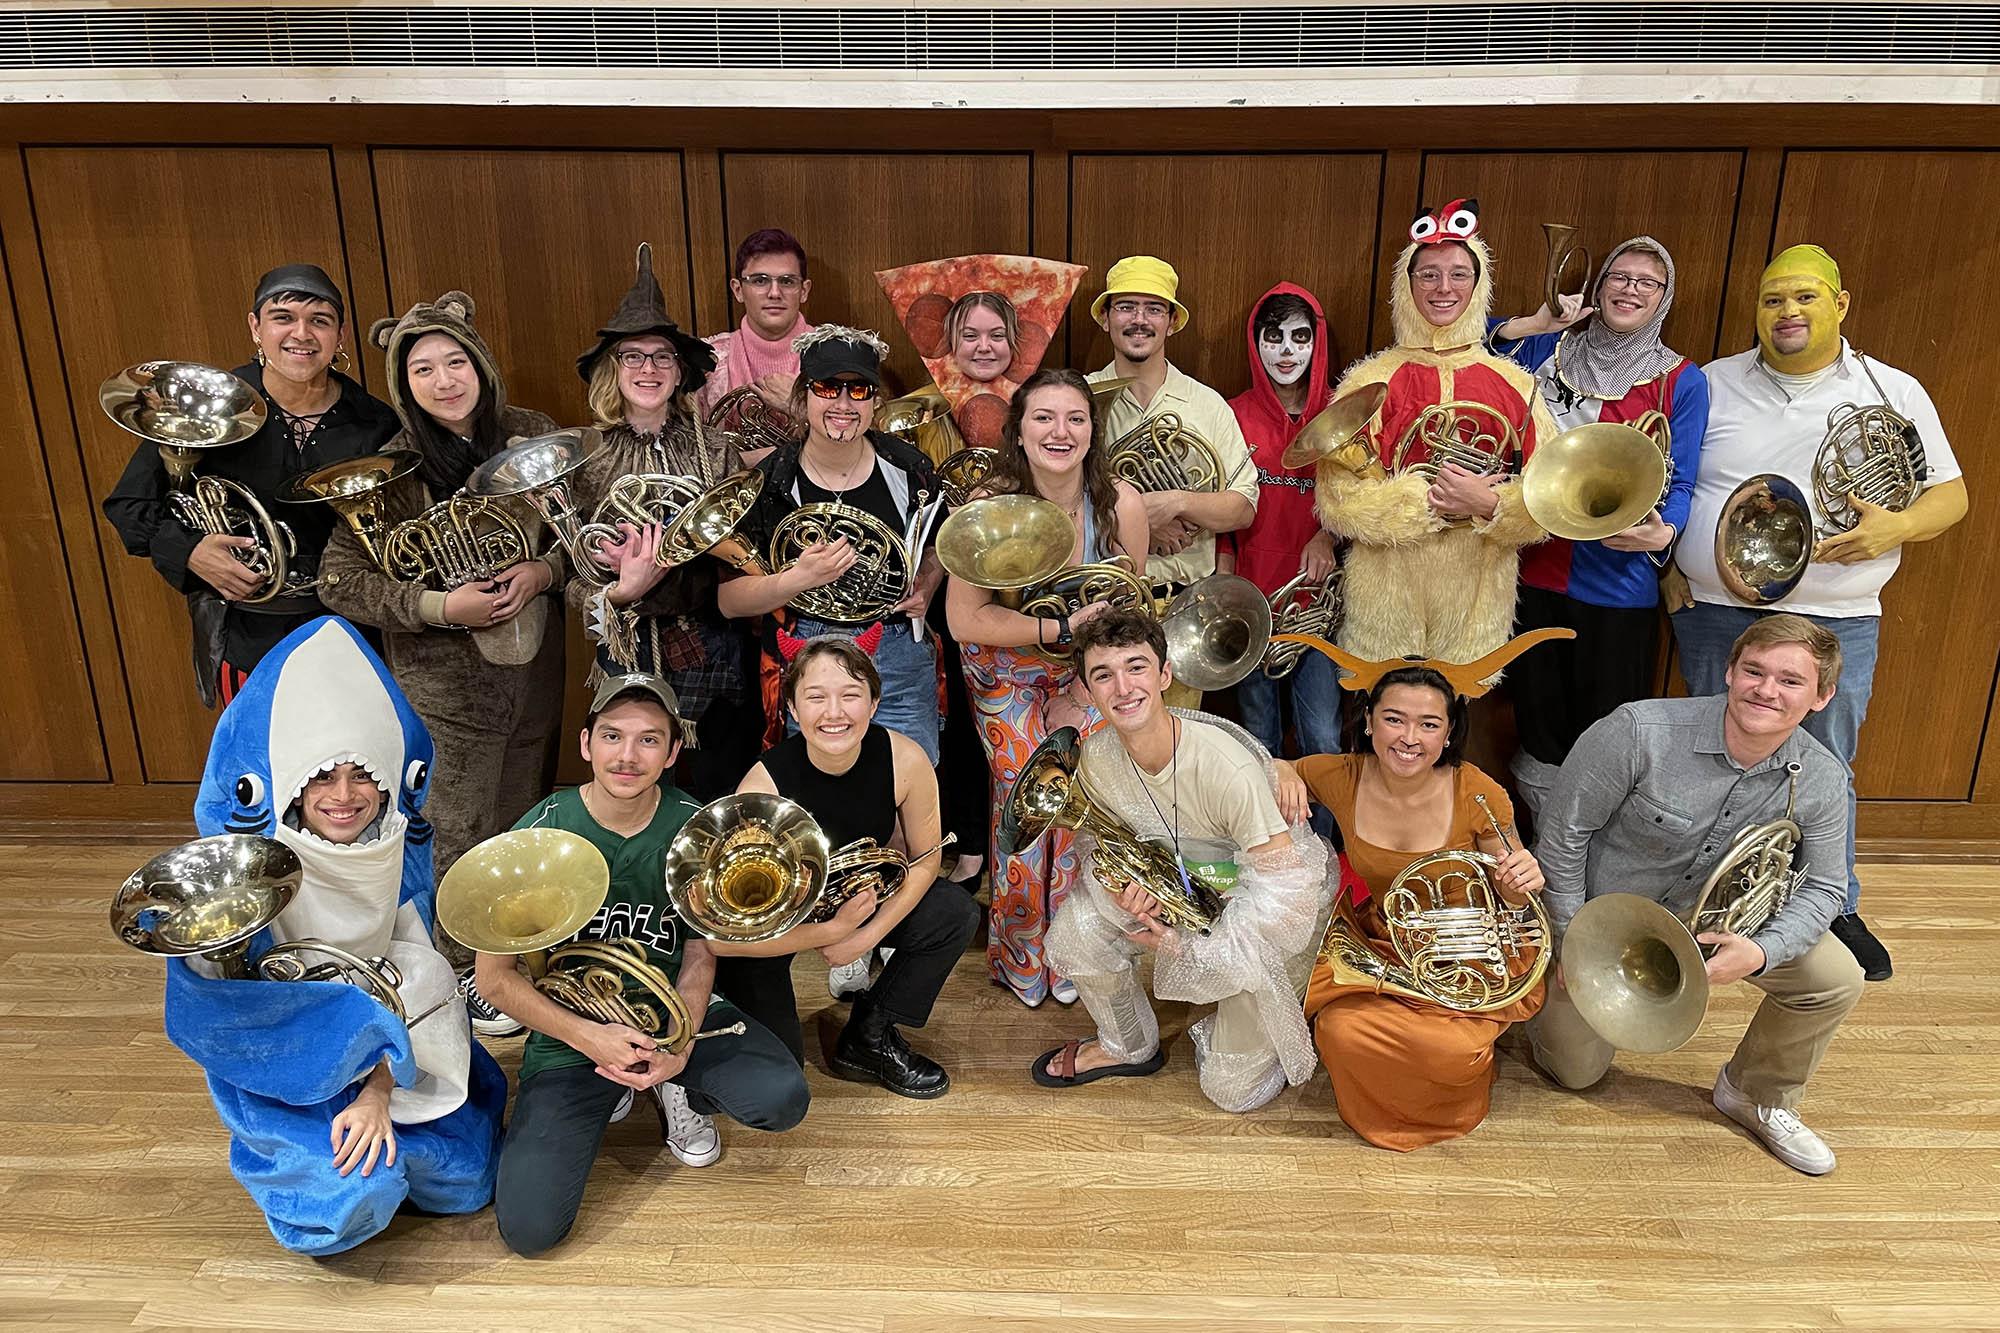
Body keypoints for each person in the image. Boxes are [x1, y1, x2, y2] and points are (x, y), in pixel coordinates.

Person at [1671, 243, 1967, 980]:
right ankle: (1710, 902)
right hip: (1716, 607)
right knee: (1710, 761)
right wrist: (1665, 569)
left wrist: (1894, 526)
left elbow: (1951, 496)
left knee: (1826, 767)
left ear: (1839, 304)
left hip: (1837, 615)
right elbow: (1666, 482)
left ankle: (1832, 905)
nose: (1787, 312)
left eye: (1804, 297)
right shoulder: (1712, 382)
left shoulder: (1892, 389)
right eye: (1773, 299)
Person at [164, 615, 504, 1254]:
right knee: (350, 1198)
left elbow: (424, 976)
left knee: (462, 1181)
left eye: (362, 773)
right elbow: (215, 1018)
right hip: (288, 1063)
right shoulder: (237, 871)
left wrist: (379, 1087)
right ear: (289, 780)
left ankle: (385, 1130)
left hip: (388, 1050)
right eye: (320, 776)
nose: (345, 796)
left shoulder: (393, 843)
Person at [481, 674, 809, 1257]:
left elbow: (699, 951)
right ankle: (614, 1087)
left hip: (675, 1015)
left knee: (781, 1098)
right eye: (612, 736)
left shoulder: (700, 828)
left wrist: (678, 1046)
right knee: (529, 1231)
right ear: (585, 744)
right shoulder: (538, 829)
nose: (627, 756)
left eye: (649, 740)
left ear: (673, 751)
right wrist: (591, 1038)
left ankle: (678, 1086)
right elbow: (495, 979)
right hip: (576, 1030)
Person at [1528, 615, 1861, 1174]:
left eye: (1790, 681)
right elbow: (1562, 839)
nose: (1766, 690)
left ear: (1822, 696)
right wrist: (1570, 938)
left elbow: (1826, 886)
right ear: (1729, 671)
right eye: (1754, 671)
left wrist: (1762, 951)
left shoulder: (1823, 778)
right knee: (1576, 1074)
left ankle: (1755, 1095)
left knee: (1835, 980)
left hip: (1718, 924)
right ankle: (1532, 994)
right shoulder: (1637, 732)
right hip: (1600, 922)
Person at [1033, 608, 1331, 1113]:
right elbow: (1100, 847)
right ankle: (1126, 1046)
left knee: (1233, 1092)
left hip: (1260, 911)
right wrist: (1120, 887)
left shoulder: (1225, 767)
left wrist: (1185, 950)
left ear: (1165, 675)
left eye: (1137, 667)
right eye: (1103, 675)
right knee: (1076, 932)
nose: (1123, 687)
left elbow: (1286, 900)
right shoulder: (1097, 758)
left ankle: (1295, 993)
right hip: (1182, 890)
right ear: (1086, 689)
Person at [316, 290, 566, 889]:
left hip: (533, 676)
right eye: (421, 369)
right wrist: (440, 605)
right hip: (444, 690)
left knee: (523, 823)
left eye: (455, 362)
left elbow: (582, 533)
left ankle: (510, 959)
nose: (444, 381)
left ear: (480, 365)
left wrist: (542, 573)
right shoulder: (390, 467)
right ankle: (454, 967)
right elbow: (339, 580)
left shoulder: (532, 434)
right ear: (403, 386)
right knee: (454, 834)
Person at [1288, 636, 1552, 1151]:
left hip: (1468, 954)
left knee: (1450, 1050)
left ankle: (1447, 1102)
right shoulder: (1344, 775)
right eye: (1394, 719)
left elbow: (1515, 897)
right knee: (1341, 1032)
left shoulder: (1478, 791)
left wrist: (1519, 884)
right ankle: (1377, 1108)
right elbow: (1275, 767)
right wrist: (1280, 773)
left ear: (1450, 731)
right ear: (1368, 720)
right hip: (1386, 942)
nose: (1409, 738)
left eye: (1429, 724)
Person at [102, 263, 399, 704]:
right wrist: (191, 552)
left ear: (341, 336)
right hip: (245, 636)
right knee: (262, 765)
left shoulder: (376, 422)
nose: (301, 334)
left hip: (354, 632)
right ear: (256, 327)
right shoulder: (209, 405)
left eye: (320, 320)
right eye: (283, 317)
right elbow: (129, 506)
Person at [947, 368, 1150, 1007]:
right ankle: (1022, 956)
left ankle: (1073, 954)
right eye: (1044, 418)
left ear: (1094, 429)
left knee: (1084, 808)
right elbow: (964, 619)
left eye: (1075, 418)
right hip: (1005, 673)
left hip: (1087, 675)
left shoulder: (1121, 503)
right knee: (1026, 804)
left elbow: (1130, 614)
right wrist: (1058, 625)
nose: (1060, 432)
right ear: (1019, 430)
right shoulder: (986, 506)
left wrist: (1087, 691)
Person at [1487, 236, 1710, 817]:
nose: (1630, 290)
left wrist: (1665, 535)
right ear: (1599, 285)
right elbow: (1474, 343)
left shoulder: (1680, 380)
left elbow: (1681, 482)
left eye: (1647, 282)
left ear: (1664, 298)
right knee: (1537, 719)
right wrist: (1535, 320)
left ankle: (1590, 843)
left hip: (1618, 584)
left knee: (1608, 730)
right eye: (1620, 276)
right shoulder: (1546, 352)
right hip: (1535, 571)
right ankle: (1541, 841)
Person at [710, 638, 979, 1097]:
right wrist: (832, 933)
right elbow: (724, 937)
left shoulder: (905, 759)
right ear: (791, 708)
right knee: (777, 1081)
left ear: (874, 702)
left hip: (854, 905)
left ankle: (870, 1036)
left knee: (953, 913)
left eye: (851, 695)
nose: (834, 712)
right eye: (816, 697)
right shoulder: (761, 785)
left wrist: (864, 937)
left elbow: (926, 860)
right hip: (777, 928)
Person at [1316, 201, 1556, 664]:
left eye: (1459, 274)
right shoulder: (1369, 380)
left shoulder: (1517, 384)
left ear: (1478, 283)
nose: (1443, 288)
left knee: (1453, 729)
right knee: (1379, 723)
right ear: (1406, 285)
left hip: (1476, 599)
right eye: (1428, 274)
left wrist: (1488, 504)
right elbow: (1336, 499)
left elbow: (1551, 500)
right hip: (1384, 597)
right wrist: (1423, 501)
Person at [565, 242, 759, 801]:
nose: (648, 368)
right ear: (614, 368)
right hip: (625, 639)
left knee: (724, 777)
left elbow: (736, 543)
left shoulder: (716, 448)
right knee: (634, 777)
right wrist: (617, 591)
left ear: (680, 372)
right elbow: (566, 567)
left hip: (709, 641)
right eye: (633, 356)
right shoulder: (585, 453)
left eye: (662, 357)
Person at [720, 325, 947, 763]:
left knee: (910, 788)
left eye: (859, 390)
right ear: (802, 398)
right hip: (806, 658)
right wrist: (798, 579)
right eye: (827, 388)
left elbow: (937, 548)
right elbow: (729, 600)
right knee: (818, 803)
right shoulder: (771, 483)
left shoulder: (910, 467)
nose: (843, 404)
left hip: (897, 650)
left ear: (875, 402)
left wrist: (927, 584)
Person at [1086, 256, 1258, 693]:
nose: (1139, 320)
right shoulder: (1077, 399)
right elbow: (1057, 506)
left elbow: (1243, 506)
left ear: (1171, 323)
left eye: (1153, 309)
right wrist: (1141, 520)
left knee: (1177, 749)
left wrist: (1177, 503)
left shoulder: (1207, 405)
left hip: (1187, 610)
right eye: (1126, 307)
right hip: (1103, 607)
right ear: (1106, 318)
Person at [1223, 282, 1342, 760]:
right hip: (1251, 603)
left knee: (1324, 739)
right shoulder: (1232, 414)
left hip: (1318, 604)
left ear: (1318, 342)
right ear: (1256, 342)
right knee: (1258, 737)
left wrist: (1327, 534)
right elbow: (1222, 505)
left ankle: (1324, 837)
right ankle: (1265, 837)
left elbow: (1363, 493)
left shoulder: (1342, 410)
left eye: (1300, 337)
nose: (1288, 351)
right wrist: (1225, 574)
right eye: (1274, 337)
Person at [696, 227, 815, 432]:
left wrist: (798, 407)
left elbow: (860, 442)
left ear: (803, 291)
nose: (774, 293)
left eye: (787, 281)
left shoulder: (839, 353)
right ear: (738, 290)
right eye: (760, 281)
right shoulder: (705, 360)